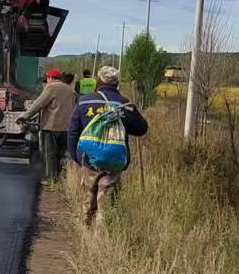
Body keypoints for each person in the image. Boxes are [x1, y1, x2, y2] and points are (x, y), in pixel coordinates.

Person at [68, 65, 149, 226]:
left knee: (87, 198)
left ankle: (85, 232)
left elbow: (72, 130)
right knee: (106, 203)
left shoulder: (85, 101)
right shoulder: (125, 104)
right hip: (115, 159)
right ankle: (100, 240)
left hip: (88, 158)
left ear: (99, 80)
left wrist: (75, 156)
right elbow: (142, 129)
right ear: (117, 82)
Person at [21, 67, 77, 186]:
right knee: (60, 153)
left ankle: (50, 179)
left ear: (51, 78)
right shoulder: (70, 89)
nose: (47, 81)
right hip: (66, 127)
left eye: (47, 78)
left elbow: (39, 104)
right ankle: (60, 177)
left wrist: (25, 116)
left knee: (50, 153)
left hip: (51, 126)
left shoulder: (51, 87)